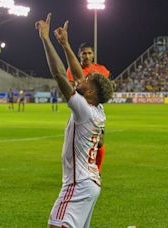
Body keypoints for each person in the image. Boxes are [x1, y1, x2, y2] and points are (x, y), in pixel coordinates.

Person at [36, 13, 113, 228]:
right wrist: (66, 45)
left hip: (77, 184)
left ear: (91, 92)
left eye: (87, 81)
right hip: (91, 182)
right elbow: (79, 77)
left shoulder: (83, 109)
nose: (82, 78)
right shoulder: (97, 109)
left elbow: (60, 75)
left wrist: (46, 39)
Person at [66, 43, 111, 176]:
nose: (86, 56)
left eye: (89, 53)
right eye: (84, 53)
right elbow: (70, 88)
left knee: (99, 141)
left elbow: (107, 87)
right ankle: (78, 171)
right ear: (79, 55)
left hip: (95, 109)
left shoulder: (101, 69)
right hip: (80, 110)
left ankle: (98, 170)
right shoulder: (73, 69)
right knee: (77, 144)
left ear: (93, 55)